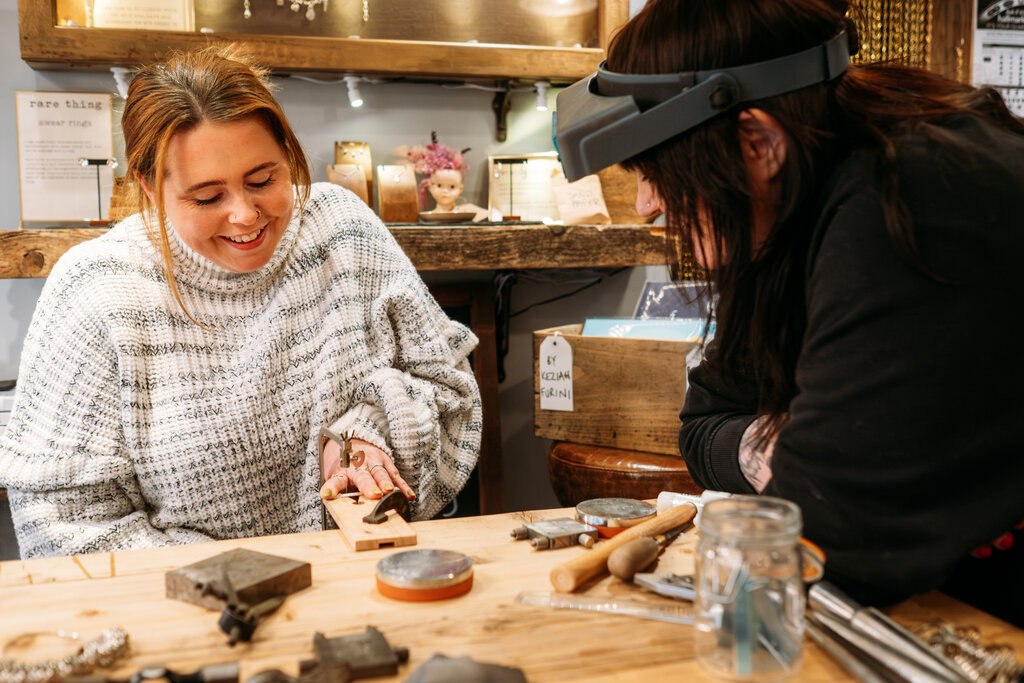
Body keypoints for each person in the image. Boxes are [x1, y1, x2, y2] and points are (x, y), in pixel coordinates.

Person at [554, 0, 1024, 624]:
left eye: (657, 173)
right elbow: (703, 424)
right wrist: (774, 445)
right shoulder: (791, 200)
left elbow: (826, 544)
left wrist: (802, 466)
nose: (646, 205)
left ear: (756, 141)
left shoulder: (909, 200)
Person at [0, 46, 482, 559]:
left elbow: (451, 389)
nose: (245, 215)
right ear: (148, 185)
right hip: (193, 617)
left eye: (264, 180)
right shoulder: (97, 289)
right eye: (207, 197)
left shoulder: (345, 232)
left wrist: (369, 432)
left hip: (370, 579)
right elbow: (58, 522)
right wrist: (237, 577)